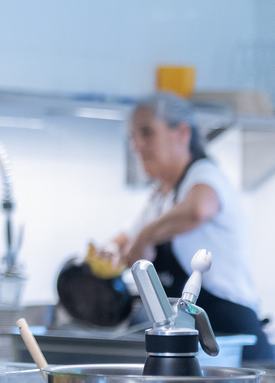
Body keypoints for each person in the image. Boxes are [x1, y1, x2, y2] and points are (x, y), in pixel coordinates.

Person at [107, 92, 270, 359]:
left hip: (232, 341)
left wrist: (147, 237)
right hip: (193, 349)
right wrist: (106, 252)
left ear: (182, 132)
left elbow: (199, 209)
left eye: (147, 133)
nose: (137, 145)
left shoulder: (205, 174)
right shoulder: (161, 196)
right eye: (133, 137)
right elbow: (126, 242)